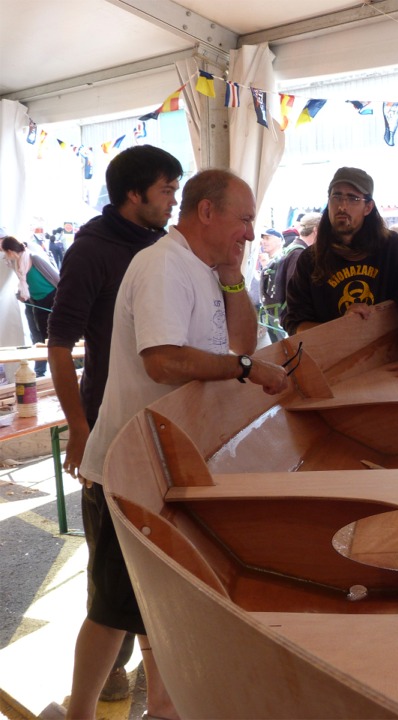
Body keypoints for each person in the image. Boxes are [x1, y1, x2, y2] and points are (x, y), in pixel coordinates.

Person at [70, 169, 289, 720]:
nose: (249, 231)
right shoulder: (164, 266)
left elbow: (240, 344)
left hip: (167, 464)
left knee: (156, 606)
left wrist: (236, 279)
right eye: (243, 220)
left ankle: (163, 710)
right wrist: (245, 369)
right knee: (113, 608)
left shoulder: (205, 269)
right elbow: (163, 360)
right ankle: (79, 714)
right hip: (126, 466)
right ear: (207, 212)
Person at [47, 145, 184, 709]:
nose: (173, 201)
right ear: (134, 194)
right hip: (106, 423)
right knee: (108, 561)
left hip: (153, 427)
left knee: (151, 563)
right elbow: (59, 346)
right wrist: (79, 428)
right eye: (166, 190)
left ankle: (154, 683)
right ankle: (109, 674)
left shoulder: (161, 247)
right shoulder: (92, 251)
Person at [283, 167, 398, 378]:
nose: (342, 206)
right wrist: (340, 327)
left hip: (386, 368)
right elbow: (294, 323)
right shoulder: (310, 260)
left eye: (352, 198)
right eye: (337, 196)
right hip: (333, 372)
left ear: (368, 207)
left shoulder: (390, 248)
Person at [2, 236, 60, 377]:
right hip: (36, 301)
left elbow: (56, 279)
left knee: (53, 335)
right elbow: (25, 285)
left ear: (10, 251)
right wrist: (21, 296)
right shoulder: (18, 264)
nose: (4, 255)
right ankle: (42, 371)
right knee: (40, 336)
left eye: (5, 251)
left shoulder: (33, 258)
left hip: (51, 298)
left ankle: (56, 369)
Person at [276, 211, 320, 332]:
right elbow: (294, 291)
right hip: (290, 320)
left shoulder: (292, 246)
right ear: (316, 230)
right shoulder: (300, 254)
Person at [257, 228, 286, 342]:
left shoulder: (282, 259)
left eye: (268, 238)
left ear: (279, 241)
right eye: (263, 238)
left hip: (277, 313)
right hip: (270, 312)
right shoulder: (271, 260)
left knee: (281, 344)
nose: (264, 241)